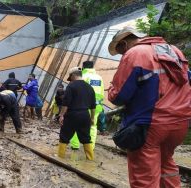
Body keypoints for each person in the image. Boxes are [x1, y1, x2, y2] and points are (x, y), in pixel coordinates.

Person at [108, 27, 191, 187]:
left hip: (150, 125)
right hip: (180, 123)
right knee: (166, 164)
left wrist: (112, 89)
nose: (121, 56)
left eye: (120, 52)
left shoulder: (135, 54)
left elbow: (119, 96)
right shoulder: (174, 51)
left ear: (124, 44)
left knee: (145, 175)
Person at [57, 67, 96, 160]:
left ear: (73, 75)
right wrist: (92, 118)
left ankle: (60, 158)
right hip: (85, 115)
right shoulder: (90, 87)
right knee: (86, 138)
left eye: (70, 78)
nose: (70, 80)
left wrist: (61, 115)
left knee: (64, 137)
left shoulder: (71, 86)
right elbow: (93, 106)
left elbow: (65, 104)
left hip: (72, 115)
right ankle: (90, 159)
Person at [70, 61, 104, 150]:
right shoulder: (99, 78)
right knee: (92, 126)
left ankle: (75, 145)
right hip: (96, 107)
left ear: (83, 68)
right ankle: (90, 147)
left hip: (82, 106)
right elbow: (102, 93)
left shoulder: (83, 77)